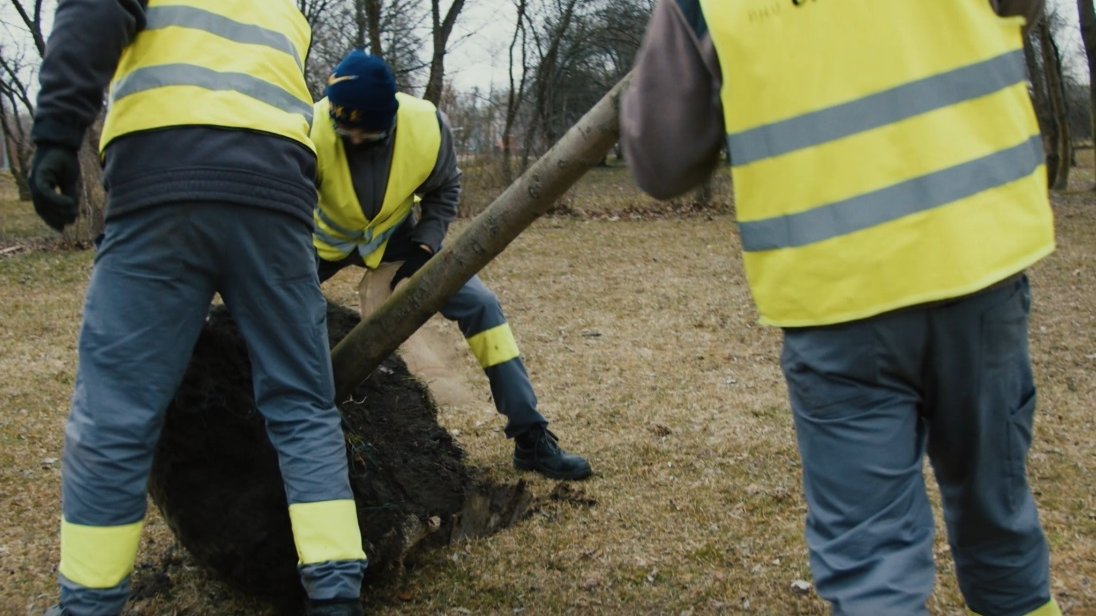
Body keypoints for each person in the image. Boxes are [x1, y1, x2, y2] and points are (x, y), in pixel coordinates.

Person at [621, 1, 1060, 615]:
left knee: (872, 566)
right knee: (999, 521)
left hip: (836, 298)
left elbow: (662, 159)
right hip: (977, 262)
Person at [28, 2, 366, 615]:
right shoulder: (285, 8)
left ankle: (88, 606)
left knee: (117, 413)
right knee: (304, 406)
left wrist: (55, 130)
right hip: (278, 193)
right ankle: (336, 595)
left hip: (162, 184)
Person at [311, 50, 592, 481]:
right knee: (272, 315)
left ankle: (531, 436)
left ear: (388, 120)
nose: (353, 142)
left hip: (399, 241)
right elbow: (280, 209)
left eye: (365, 135)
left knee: (482, 306)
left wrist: (423, 250)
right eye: (344, 131)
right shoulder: (307, 131)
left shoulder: (426, 126)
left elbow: (445, 189)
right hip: (319, 247)